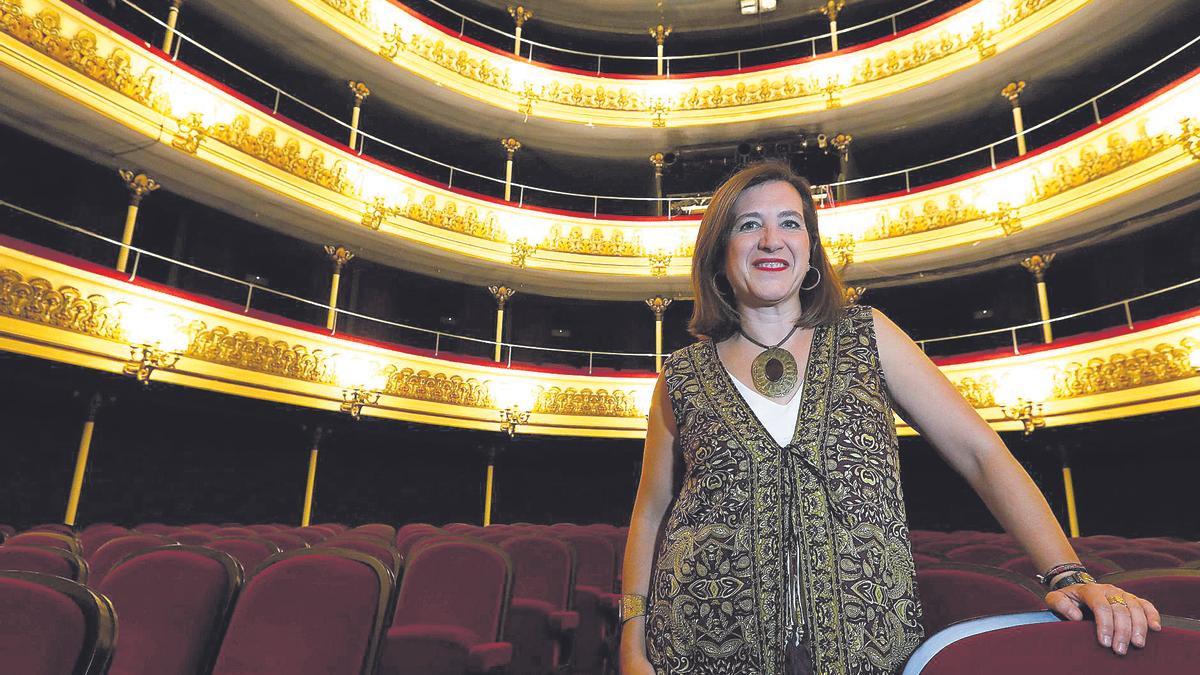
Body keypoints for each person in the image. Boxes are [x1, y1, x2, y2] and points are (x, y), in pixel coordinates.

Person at [618, 161, 1161, 674]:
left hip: (867, 646)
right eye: (748, 225)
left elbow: (980, 453)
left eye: (791, 223)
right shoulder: (681, 373)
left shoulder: (867, 333)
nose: (771, 239)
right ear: (719, 253)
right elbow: (651, 512)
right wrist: (631, 640)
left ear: (810, 251)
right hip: (698, 641)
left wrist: (1068, 572)